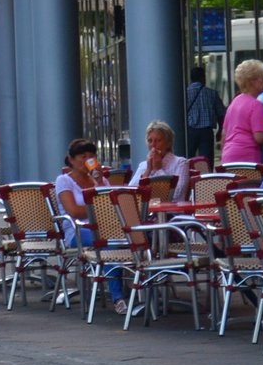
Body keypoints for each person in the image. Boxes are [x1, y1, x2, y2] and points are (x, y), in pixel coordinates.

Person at [53, 136, 129, 315]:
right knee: (110, 241)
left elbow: (112, 205)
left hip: (105, 228)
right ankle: (118, 297)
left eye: (91, 156)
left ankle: (137, 291)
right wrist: (99, 209)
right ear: (71, 159)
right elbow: (74, 211)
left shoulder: (99, 181)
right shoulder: (64, 180)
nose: (87, 160)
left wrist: (101, 182)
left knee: (126, 238)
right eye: (82, 156)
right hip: (78, 231)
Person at [220, 59, 263, 166]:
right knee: (250, 183)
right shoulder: (256, 105)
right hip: (247, 157)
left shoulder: (234, 102)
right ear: (252, 81)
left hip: (228, 156)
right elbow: (260, 137)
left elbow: (224, 134)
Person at [128, 120, 192, 200]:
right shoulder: (143, 165)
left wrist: (158, 170)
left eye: (158, 140)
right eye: (150, 141)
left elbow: (177, 193)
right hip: (148, 211)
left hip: (172, 211)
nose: (153, 145)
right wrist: (148, 170)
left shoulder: (181, 163)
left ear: (168, 143)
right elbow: (131, 191)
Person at [184, 66, 225, 163]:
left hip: (190, 130)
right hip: (206, 131)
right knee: (206, 161)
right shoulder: (212, 93)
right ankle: (206, 177)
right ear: (203, 77)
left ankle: (190, 176)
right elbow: (221, 114)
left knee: (188, 159)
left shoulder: (184, 93)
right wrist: (220, 130)